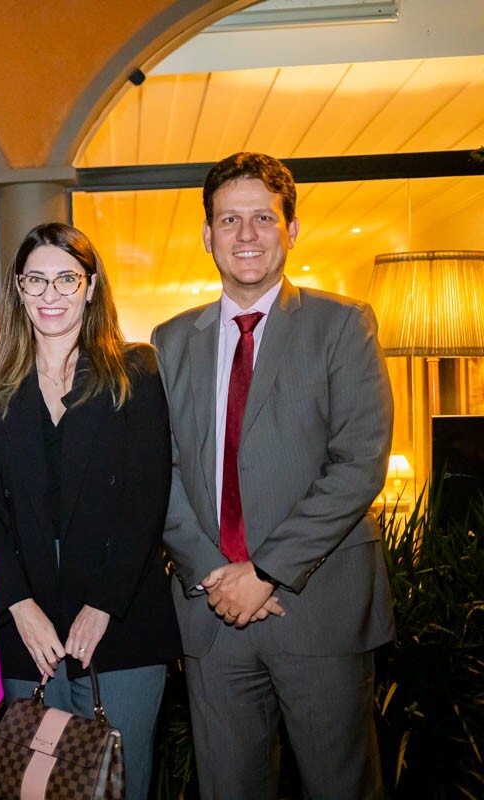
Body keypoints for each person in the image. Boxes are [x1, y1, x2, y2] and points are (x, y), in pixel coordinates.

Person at [150, 152, 394, 799]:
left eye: (263, 217)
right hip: (212, 617)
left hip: (319, 611)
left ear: (292, 229)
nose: (247, 234)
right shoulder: (170, 341)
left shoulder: (343, 324)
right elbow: (160, 469)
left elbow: (359, 460)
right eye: (230, 219)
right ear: (207, 236)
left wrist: (264, 573)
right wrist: (216, 573)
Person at [0, 222, 181, 800]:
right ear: (18, 288)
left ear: (90, 287)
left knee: (116, 786)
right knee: (35, 787)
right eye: (35, 280)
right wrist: (18, 605)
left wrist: (104, 605)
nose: (50, 294)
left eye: (66, 278)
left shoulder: (134, 372)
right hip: (27, 632)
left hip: (122, 628)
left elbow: (146, 502)